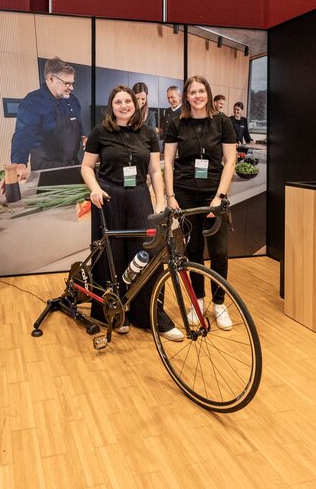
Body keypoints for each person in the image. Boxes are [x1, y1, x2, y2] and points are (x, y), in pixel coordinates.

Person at [81, 85, 183, 341]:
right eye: (118, 102)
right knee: (110, 255)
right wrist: (94, 189)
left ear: (135, 105)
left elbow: (155, 170)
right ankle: (114, 311)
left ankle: (149, 313)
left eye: (128, 101)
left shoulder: (147, 132)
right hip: (108, 196)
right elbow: (87, 167)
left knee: (145, 253)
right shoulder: (100, 132)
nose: (124, 105)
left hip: (138, 195)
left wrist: (160, 201)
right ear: (111, 106)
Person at [164, 75, 237, 330]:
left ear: (208, 93)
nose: (197, 96)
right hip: (184, 195)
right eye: (192, 92)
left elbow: (230, 161)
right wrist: (170, 195)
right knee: (193, 251)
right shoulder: (176, 124)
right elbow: (169, 162)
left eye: (201, 91)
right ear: (186, 96)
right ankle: (197, 303)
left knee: (219, 252)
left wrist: (220, 196)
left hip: (213, 196)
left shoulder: (222, 122)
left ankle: (219, 304)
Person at [10, 57, 85, 180]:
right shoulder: (33, 102)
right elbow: (24, 134)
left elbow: (78, 124)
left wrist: (83, 136)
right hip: (46, 169)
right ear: (51, 79)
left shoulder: (73, 100)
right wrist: (19, 163)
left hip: (72, 165)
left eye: (72, 83)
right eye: (67, 83)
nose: (71, 88)